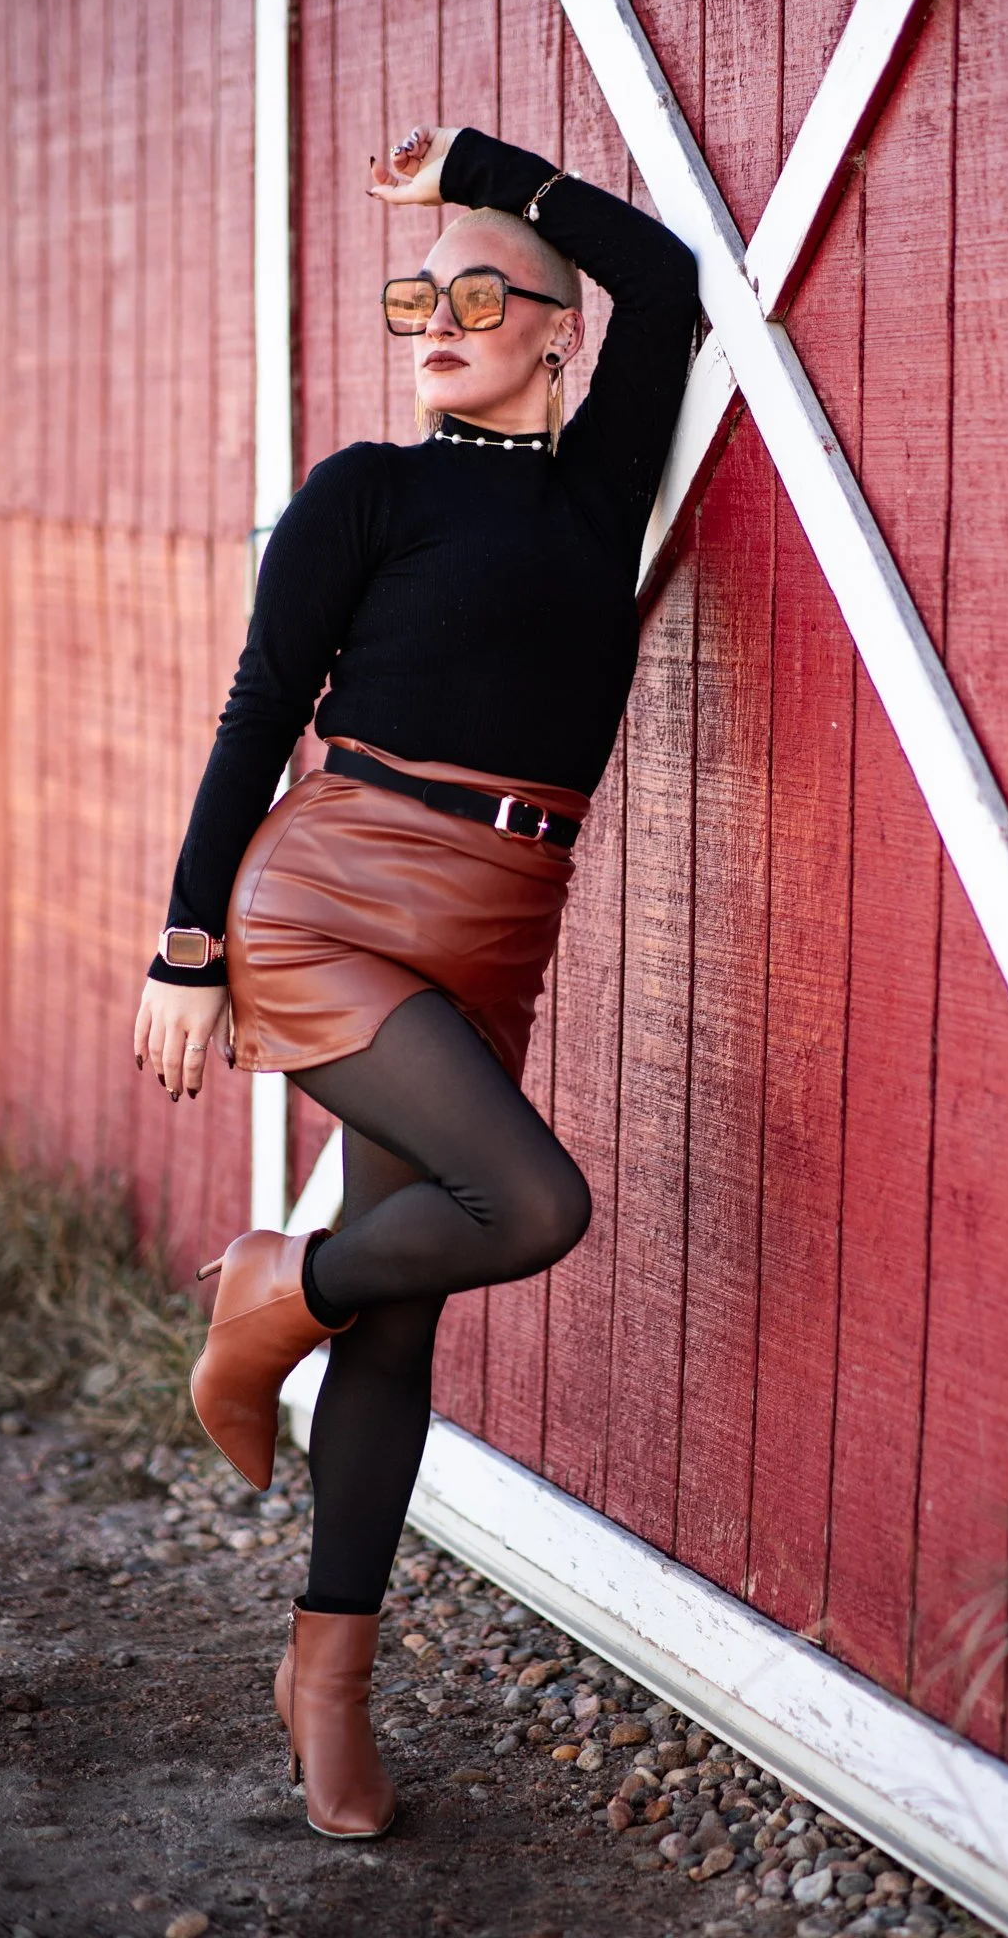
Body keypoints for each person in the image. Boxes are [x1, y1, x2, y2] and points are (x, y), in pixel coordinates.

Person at [132, 119, 698, 1839]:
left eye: (480, 292)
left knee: (402, 1307)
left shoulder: (602, 487)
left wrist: (479, 166)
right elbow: (256, 713)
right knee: (529, 1200)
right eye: (418, 295)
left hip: (501, 916)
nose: (438, 316)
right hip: (335, 888)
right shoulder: (367, 491)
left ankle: (330, 1677)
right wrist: (187, 944)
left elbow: (665, 278)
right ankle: (271, 1287)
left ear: (553, 325)